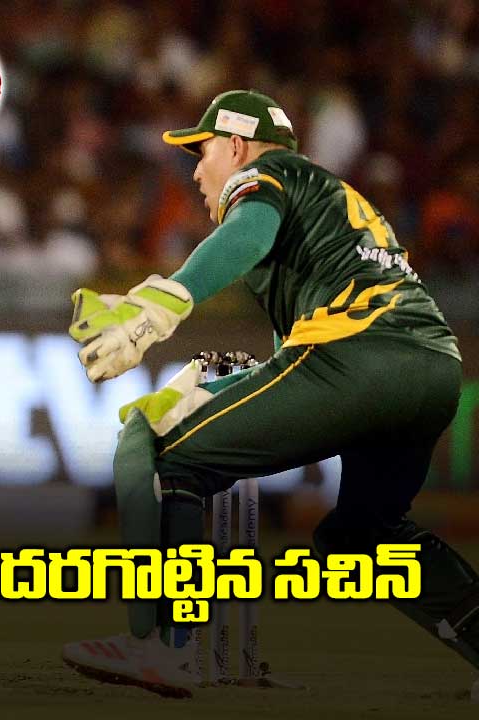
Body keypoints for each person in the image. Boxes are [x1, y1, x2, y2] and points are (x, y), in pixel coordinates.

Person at [59, 90, 476, 698]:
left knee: (172, 455)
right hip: (433, 367)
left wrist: (162, 304)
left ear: (237, 146)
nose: (196, 172)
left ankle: (165, 648)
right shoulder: (332, 200)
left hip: (357, 355)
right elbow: (296, 358)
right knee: (363, 536)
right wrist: (233, 387)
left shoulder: (265, 175)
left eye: (203, 152)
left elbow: (249, 234)